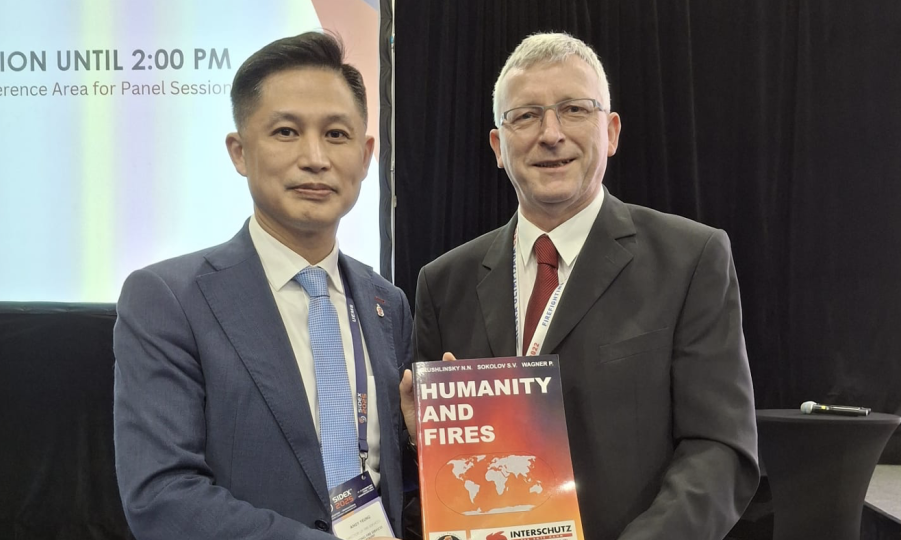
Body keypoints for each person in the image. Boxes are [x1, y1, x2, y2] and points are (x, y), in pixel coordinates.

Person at [408, 32, 759, 540]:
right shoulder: (443, 283)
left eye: (574, 109)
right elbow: (433, 479)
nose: (550, 133)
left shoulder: (691, 258)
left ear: (611, 132)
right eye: (525, 115)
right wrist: (423, 438)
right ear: (498, 147)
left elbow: (721, 450)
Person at [113, 32, 411, 540]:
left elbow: (388, 480)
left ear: (365, 156)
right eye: (286, 132)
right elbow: (162, 497)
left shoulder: (389, 303)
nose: (315, 157)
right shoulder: (168, 299)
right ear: (240, 152)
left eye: (337, 134)